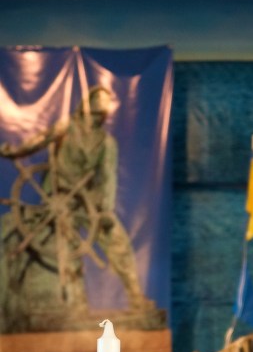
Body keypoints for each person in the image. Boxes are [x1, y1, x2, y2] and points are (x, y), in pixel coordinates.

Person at [0, 85, 153, 317]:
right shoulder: (66, 126)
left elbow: (108, 177)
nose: (98, 117)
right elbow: (40, 140)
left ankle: (136, 298)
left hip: (89, 202)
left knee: (118, 244)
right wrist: (16, 151)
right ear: (86, 107)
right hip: (60, 199)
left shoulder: (106, 143)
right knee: (68, 249)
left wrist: (106, 210)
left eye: (102, 114)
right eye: (96, 111)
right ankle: (76, 305)